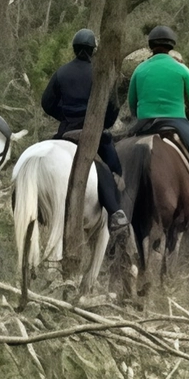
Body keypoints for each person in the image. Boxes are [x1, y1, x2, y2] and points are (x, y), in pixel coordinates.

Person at [42, 29, 128, 231]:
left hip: (66, 132)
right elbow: (113, 107)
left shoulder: (61, 72)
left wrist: (63, 115)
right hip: (93, 134)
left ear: (74, 49)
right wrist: (102, 124)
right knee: (111, 169)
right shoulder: (102, 74)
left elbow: (46, 103)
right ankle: (116, 212)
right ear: (93, 50)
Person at [127, 25, 189, 217]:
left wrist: (139, 118)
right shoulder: (181, 69)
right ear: (171, 47)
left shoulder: (139, 69)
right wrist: (188, 117)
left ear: (150, 47)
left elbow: (132, 102)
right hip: (177, 120)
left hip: (144, 123)